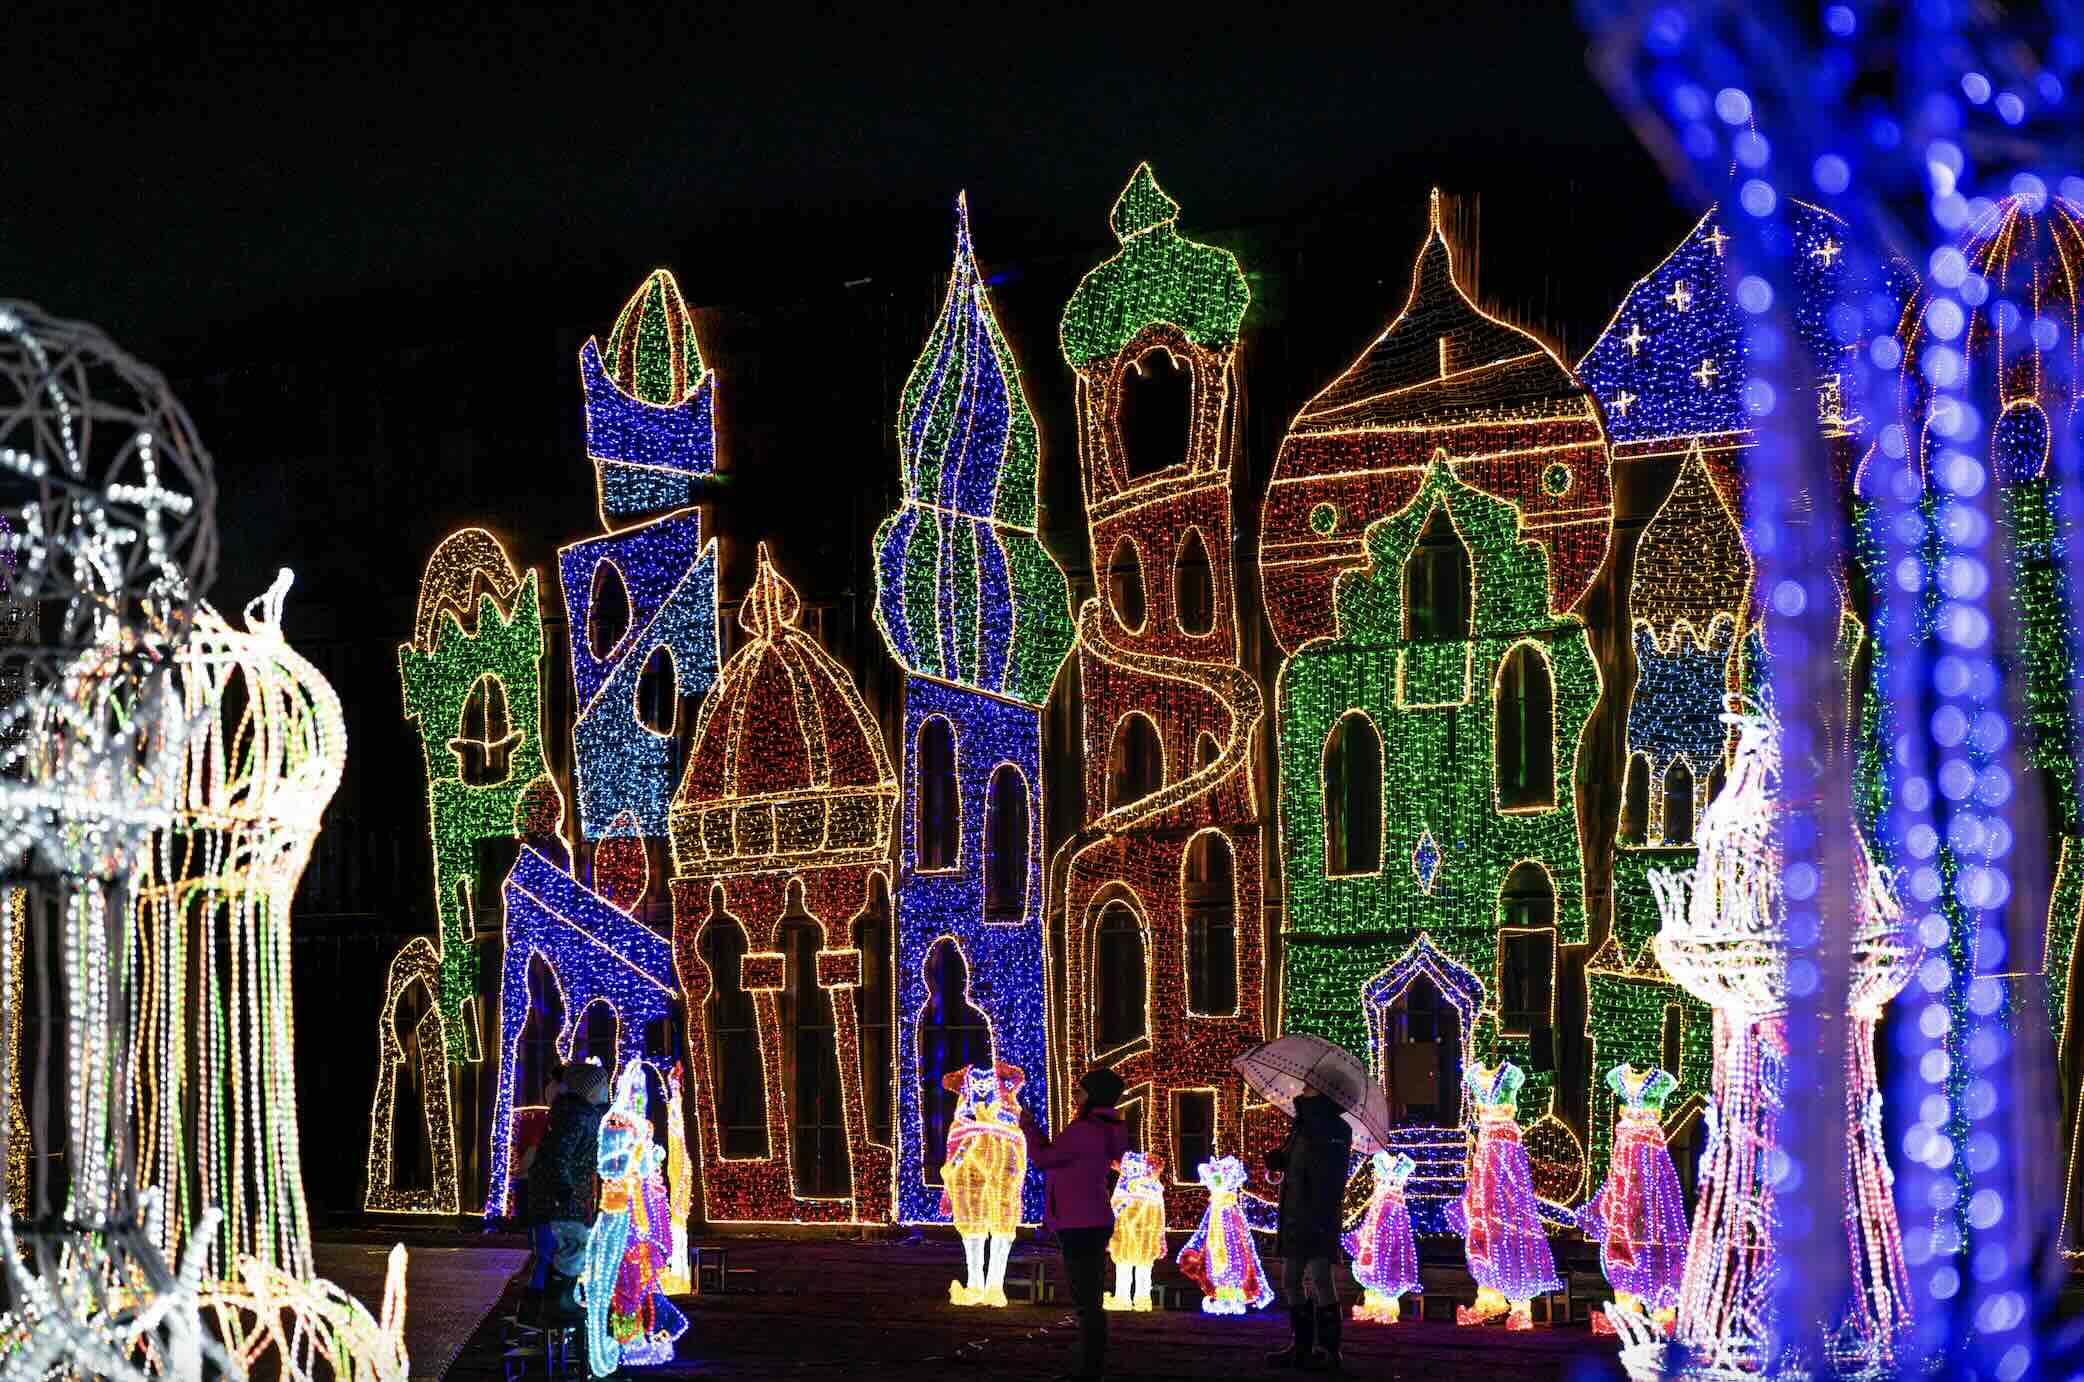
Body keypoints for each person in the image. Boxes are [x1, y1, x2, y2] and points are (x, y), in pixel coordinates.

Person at [1020, 1065, 1130, 1382]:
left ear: (1094, 1094)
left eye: (1081, 1090)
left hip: (1078, 1220)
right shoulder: (1107, 1127)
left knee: (1087, 1303)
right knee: (1089, 1299)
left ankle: (1089, 1371)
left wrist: (1029, 1127)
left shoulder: (1085, 1129)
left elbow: (1045, 1158)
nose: (1076, 1095)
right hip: (1090, 1217)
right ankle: (1089, 1367)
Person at [1265, 1082, 1354, 1369]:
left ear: (1325, 1089)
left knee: (1320, 1278)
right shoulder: (1300, 1125)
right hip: (1295, 1212)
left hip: (1318, 1214)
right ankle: (1301, 1347)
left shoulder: (1337, 1129)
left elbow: (1331, 1177)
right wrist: (1280, 1162)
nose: (1304, 1085)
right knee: (1291, 1279)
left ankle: (1329, 1351)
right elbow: (1297, 1168)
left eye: (1312, 1082)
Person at [522, 1059, 614, 1323]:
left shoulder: (583, 1115)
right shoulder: (576, 1116)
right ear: (589, 1089)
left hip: (568, 1196)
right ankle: (556, 1304)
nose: (606, 1090)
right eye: (601, 1085)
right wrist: (563, 1189)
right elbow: (557, 1154)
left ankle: (552, 1304)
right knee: (574, 1245)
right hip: (561, 1199)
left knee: (569, 1247)